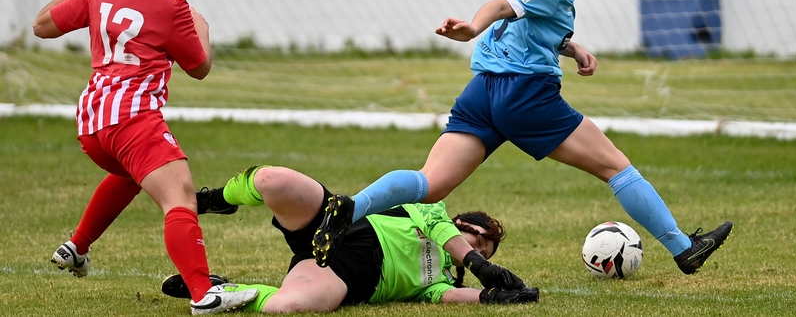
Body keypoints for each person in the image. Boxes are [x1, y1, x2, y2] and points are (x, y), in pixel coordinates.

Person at [311, 0, 733, 276]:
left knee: (430, 184)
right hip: (525, 96)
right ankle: (684, 248)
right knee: (616, 167)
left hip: (483, 93)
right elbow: (501, 6)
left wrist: (572, 48)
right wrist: (472, 27)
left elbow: (527, 27)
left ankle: (349, 208)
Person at [32, 0, 257, 314]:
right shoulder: (172, 4)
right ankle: (204, 295)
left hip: (93, 123)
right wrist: (202, 27)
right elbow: (200, 67)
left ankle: (76, 247)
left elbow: (41, 26)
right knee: (180, 197)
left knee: (131, 175)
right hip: (133, 120)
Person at [159, 165, 539, 312]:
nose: (475, 250)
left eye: (483, 252)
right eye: (477, 240)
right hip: (333, 224)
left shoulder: (440, 279)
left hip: (344, 277)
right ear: (463, 222)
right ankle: (214, 199)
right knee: (272, 180)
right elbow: (443, 231)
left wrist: (491, 296)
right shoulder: (432, 209)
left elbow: (448, 297)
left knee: (288, 306)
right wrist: (477, 263)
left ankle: (222, 290)